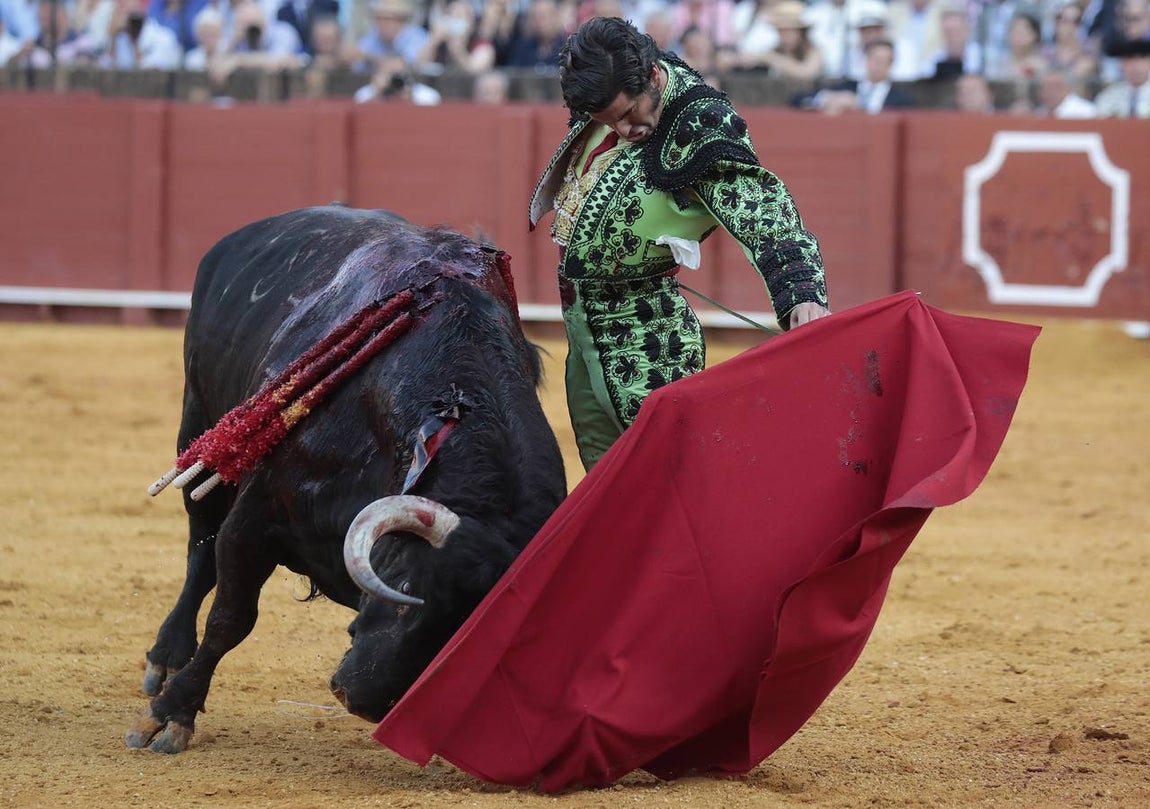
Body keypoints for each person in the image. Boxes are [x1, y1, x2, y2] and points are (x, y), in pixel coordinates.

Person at [528, 16, 830, 470]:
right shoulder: (623, 84)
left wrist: (802, 291)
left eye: (630, 114)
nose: (626, 130)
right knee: (608, 483)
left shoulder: (701, 123)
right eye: (607, 120)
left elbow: (760, 206)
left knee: (670, 477)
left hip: (646, 335)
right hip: (582, 323)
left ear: (653, 77)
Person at [1093, 35, 1150, 115]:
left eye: (1141, 60)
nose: (1135, 67)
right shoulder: (1108, 97)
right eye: (1129, 60)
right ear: (1121, 64)